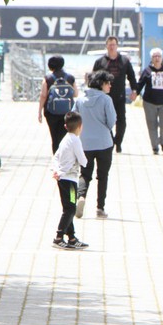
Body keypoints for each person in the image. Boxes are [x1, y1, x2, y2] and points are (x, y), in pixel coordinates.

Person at [74, 70, 116, 220]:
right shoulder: (106, 100)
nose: (110, 86)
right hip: (104, 142)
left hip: (85, 143)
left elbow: (73, 118)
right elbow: (111, 121)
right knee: (103, 175)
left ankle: (81, 197)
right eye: (108, 83)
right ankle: (100, 207)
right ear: (101, 84)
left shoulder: (79, 100)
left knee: (85, 173)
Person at [91, 36, 138, 153]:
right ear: (106, 46)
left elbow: (131, 77)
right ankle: (111, 141)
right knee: (105, 120)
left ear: (117, 46)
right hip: (104, 96)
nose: (112, 47)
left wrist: (134, 91)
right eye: (110, 45)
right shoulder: (100, 62)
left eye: (114, 45)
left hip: (120, 96)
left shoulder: (125, 61)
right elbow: (93, 78)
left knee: (121, 120)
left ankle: (118, 142)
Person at [51, 111, 89, 249]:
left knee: (68, 207)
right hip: (70, 180)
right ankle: (59, 237)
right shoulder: (75, 140)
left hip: (62, 178)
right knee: (70, 208)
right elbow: (82, 159)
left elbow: (56, 156)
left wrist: (55, 169)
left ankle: (71, 237)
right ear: (79, 126)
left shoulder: (65, 139)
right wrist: (85, 162)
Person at [135, 48, 163, 155]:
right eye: (154, 56)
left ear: (162, 58)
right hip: (149, 102)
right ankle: (154, 147)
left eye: (159, 56)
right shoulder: (147, 71)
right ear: (152, 58)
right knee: (152, 125)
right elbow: (140, 84)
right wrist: (135, 93)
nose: (157, 58)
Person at [38, 55, 78, 154]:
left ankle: (56, 159)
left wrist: (39, 111)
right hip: (67, 112)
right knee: (65, 136)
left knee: (54, 137)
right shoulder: (70, 78)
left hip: (51, 112)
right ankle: (65, 157)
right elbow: (76, 94)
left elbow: (43, 95)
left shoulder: (48, 78)